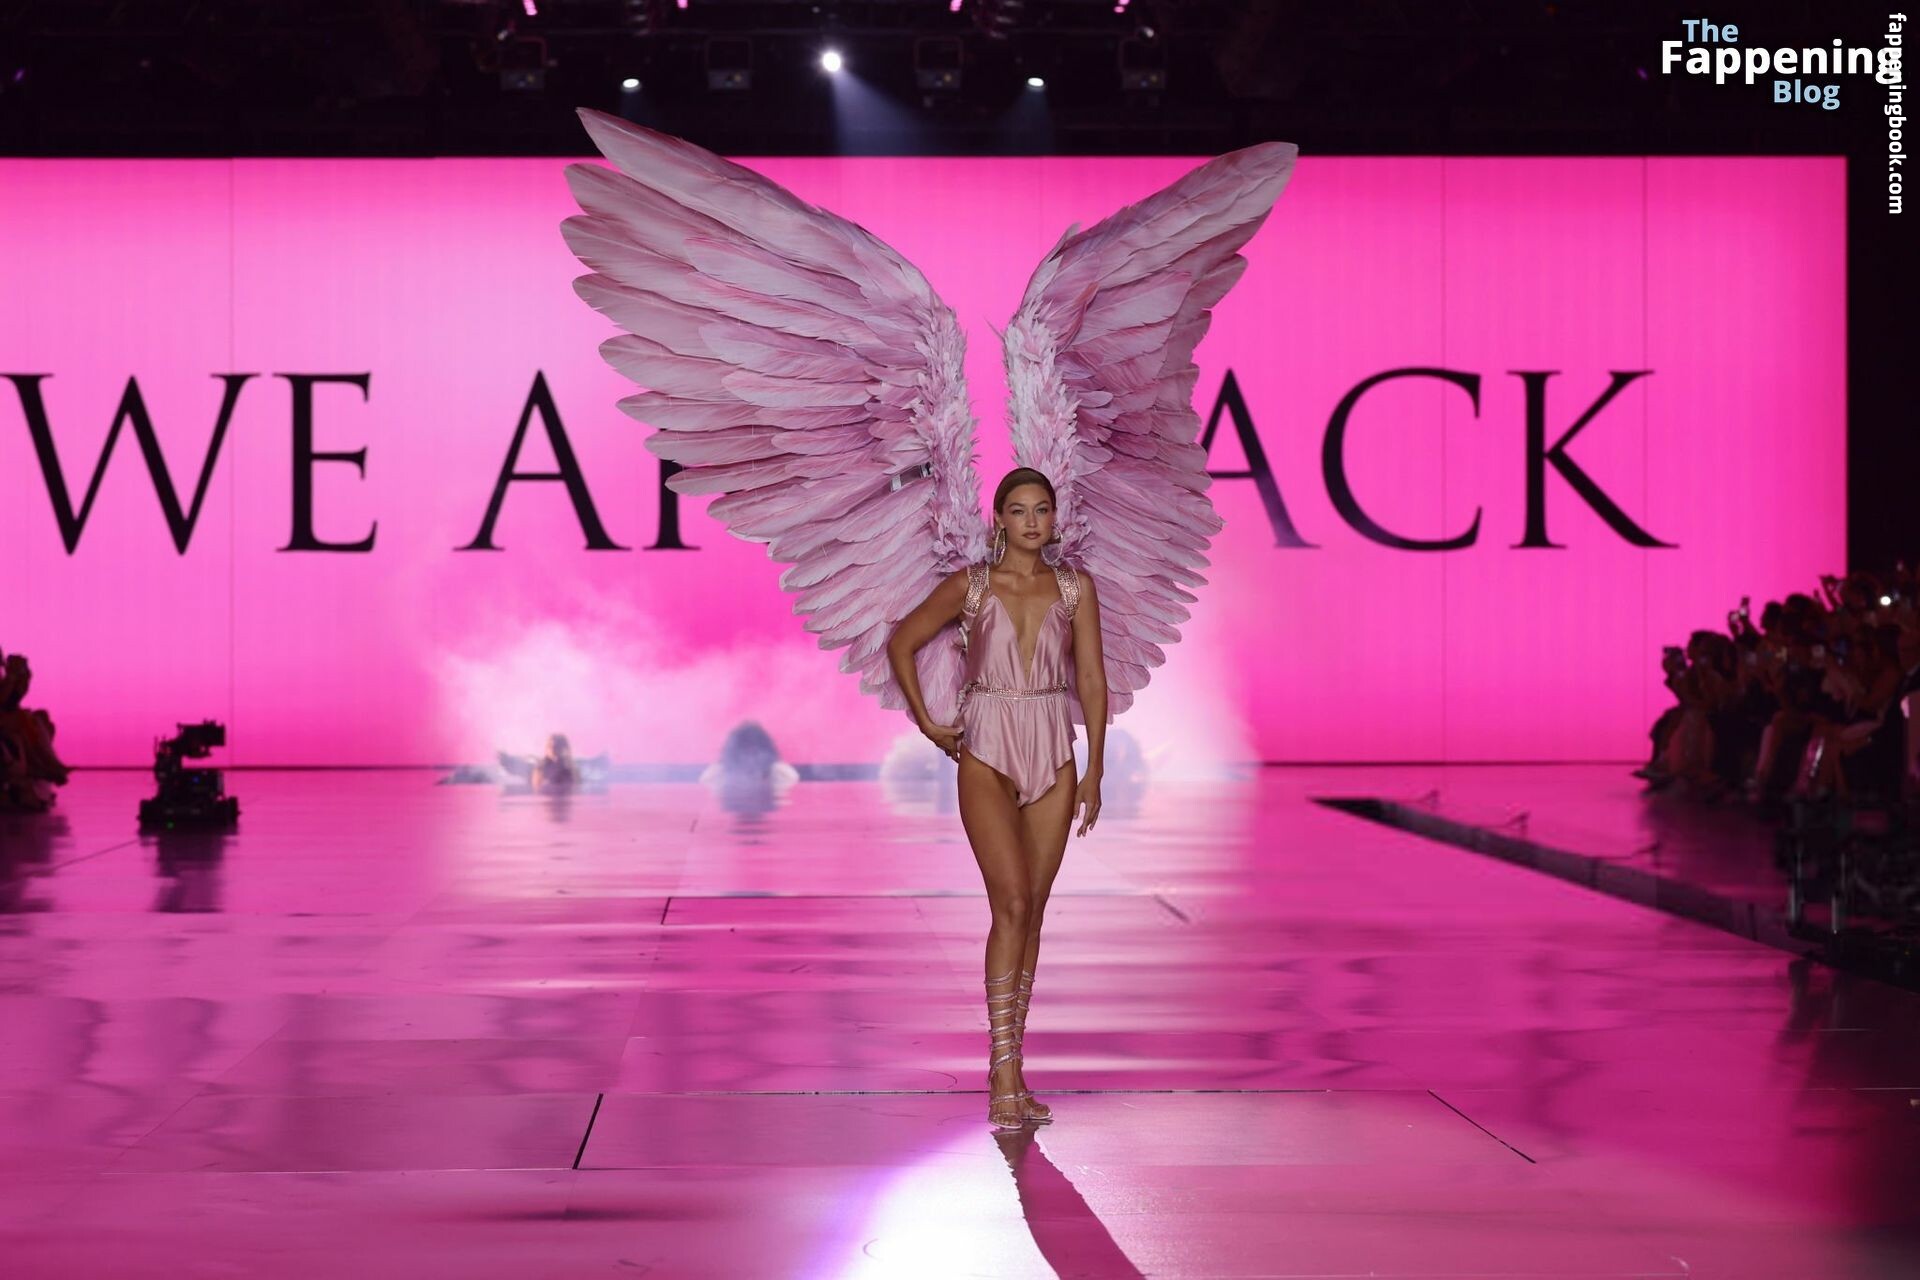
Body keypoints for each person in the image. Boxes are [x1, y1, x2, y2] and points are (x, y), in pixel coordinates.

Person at [886, 467, 1106, 1131]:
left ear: (1054, 518)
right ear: (999, 520)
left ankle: (1013, 1067)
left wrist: (1095, 768)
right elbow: (902, 641)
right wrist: (929, 724)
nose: (1032, 522)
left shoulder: (1076, 588)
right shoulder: (972, 585)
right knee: (1009, 904)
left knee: (1031, 913)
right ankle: (1002, 1072)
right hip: (986, 747)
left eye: (1042, 510)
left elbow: (1091, 678)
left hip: (1053, 748)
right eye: (1019, 510)